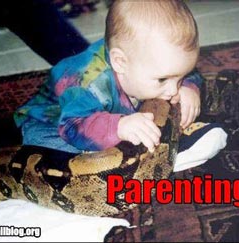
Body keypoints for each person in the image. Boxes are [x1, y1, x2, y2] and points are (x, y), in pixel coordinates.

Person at [14, 0, 204, 154]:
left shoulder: (145, 63)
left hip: (101, 110)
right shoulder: (89, 84)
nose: (173, 90)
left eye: (179, 78)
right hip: (53, 124)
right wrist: (118, 126)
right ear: (120, 62)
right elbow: (72, 126)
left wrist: (189, 86)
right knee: (50, 148)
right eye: (163, 80)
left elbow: (187, 73)